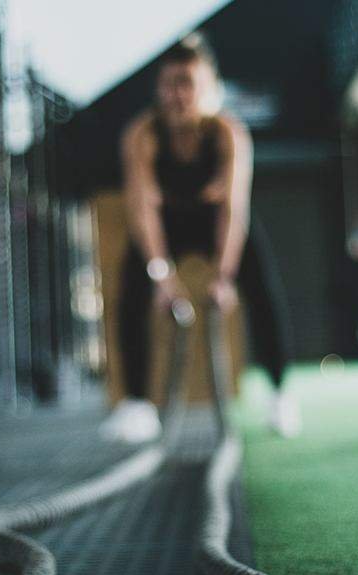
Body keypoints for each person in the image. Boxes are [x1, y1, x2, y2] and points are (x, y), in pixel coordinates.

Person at [100, 33, 300, 444]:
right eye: (169, 84)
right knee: (131, 285)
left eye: (186, 83)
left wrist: (224, 278)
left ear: (208, 88)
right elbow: (142, 211)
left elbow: (233, 210)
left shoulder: (227, 134)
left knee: (261, 285)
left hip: (214, 223)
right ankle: (137, 406)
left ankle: (280, 394)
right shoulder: (142, 135)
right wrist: (161, 277)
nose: (177, 95)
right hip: (167, 224)